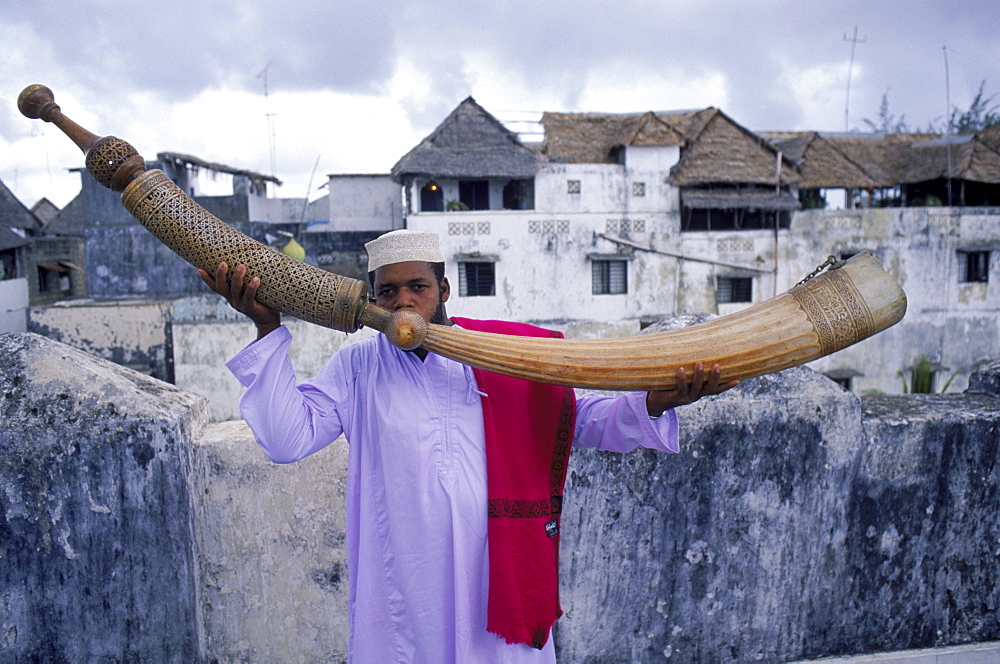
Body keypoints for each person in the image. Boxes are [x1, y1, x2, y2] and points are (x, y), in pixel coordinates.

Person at [199, 229, 737, 663]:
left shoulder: (507, 352)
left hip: (499, 576)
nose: (403, 302)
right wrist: (266, 326)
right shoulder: (357, 367)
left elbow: (584, 417)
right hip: (406, 585)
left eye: (417, 287)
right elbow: (286, 439)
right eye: (387, 292)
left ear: (444, 291)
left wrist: (658, 400)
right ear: (372, 299)